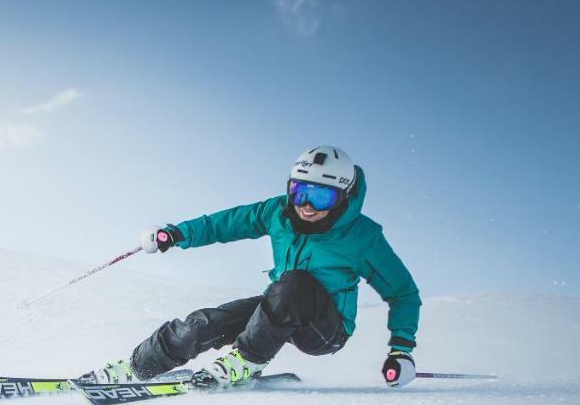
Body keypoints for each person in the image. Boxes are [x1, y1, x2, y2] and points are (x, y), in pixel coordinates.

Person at [83, 145, 421, 388]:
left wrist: (401, 350)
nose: (305, 205)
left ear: (343, 196)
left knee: (295, 284)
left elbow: (403, 293)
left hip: (325, 330)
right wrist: (176, 234)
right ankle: (138, 367)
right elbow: (226, 223)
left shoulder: (362, 237)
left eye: (321, 198)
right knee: (205, 322)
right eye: (299, 191)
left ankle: (245, 361)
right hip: (277, 311)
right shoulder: (279, 212)